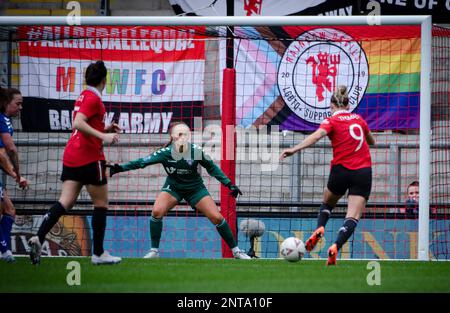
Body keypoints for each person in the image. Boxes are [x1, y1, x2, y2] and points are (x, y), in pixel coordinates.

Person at [107, 121, 251, 259]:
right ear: (173, 137)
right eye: (180, 134)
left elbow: (212, 168)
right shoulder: (165, 153)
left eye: (185, 134)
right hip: (173, 188)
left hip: (195, 189)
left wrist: (229, 184)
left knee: (217, 218)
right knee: (157, 211)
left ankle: (236, 251)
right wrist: (119, 168)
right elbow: (141, 162)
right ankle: (154, 250)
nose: (183, 137)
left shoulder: (196, 151)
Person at [28, 61, 122, 265]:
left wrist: (104, 129)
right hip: (89, 156)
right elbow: (78, 123)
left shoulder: (83, 95)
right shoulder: (93, 98)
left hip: (72, 155)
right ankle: (98, 254)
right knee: (101, 204)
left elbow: (84, 125)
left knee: (66, 201)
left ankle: (39, 236)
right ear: (104, 80)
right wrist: (104, 137)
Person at [280, 86, 375, 266]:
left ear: (332, 105)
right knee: (352, 216)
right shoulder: (359, 119)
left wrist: (294, 149)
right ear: (348, 105)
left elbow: (317, 136)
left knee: (328, 203)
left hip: (340, 170)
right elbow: (372, 141)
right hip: (363, 171)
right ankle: (336, 247)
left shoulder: (331, 120)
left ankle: (320, 227)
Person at [0, 88, 29, 263]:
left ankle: (4, 252)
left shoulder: (6, 120)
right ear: (5, 103)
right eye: (17, 103)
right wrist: (17, 174)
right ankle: (5, 252)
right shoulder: (1, 119)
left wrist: (15, 175)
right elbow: (7, 151)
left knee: (9, 210)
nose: (20, 107)